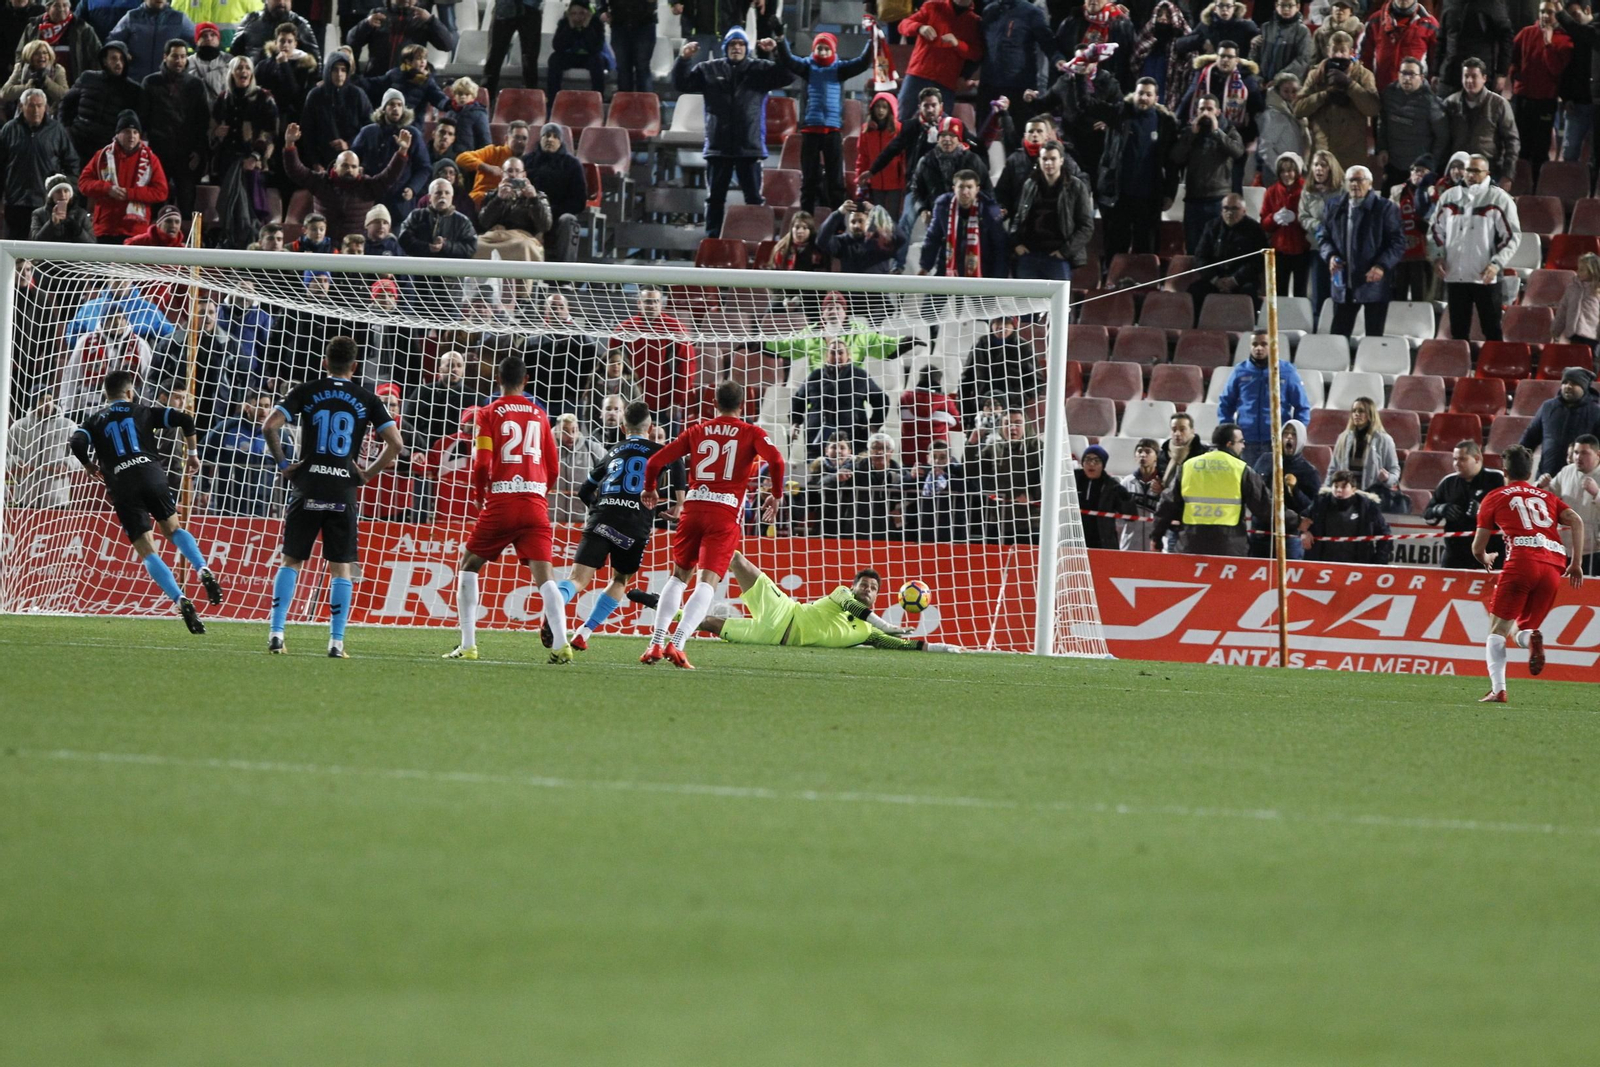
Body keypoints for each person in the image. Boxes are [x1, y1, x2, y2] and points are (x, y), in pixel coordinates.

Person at [263, 335, 404, 658]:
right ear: (354, 367)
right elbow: (395, 444)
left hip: (308, 485)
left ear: (325, 362)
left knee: (292, 561)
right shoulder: (367, 398)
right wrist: (367, 473)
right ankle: (336, 642)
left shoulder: (306, 390)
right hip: (342, 487)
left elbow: (269, 426)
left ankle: (276, 633)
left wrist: (285, 464)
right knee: (341, 567)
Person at [640, 379, 787, 669]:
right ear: (744, 405)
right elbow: (778, 461)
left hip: (693, 508)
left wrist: (650, 488)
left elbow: (655, 462)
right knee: (707, 581)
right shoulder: (751, 432)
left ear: (714, 404)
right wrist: (776, 495)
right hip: (725, 513)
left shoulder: (698, 430)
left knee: (679, 575)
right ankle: (678, 644)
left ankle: (656, 642)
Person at [66, 368, 222, 633]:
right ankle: (202, 567)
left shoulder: (94, 420)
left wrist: (89, 465)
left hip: (122, 484)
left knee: (147, 549)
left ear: (107, 394)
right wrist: (193, 454)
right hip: (152, 474)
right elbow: (185, 419)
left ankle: (179, 598)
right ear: (130, 392)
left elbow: (76, 441)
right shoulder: (142, 411)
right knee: (173, 529)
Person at [442, 355, 570, 664]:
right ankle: (562, 645)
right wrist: (540, 493)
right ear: (525, 381)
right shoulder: (541, 415)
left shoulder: (489, 413)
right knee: (546, 578)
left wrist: (478, 492)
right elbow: (553, 466)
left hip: (502, 500)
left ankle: (469, 645)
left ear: (498, 380)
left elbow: (483, 460)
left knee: (469, 564)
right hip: (535, 503)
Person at [553, 400, 678, 650]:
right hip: (634, 525)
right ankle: (584, 632)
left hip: (603, 517)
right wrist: (678, 504)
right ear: (650, 426)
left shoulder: (611, 451)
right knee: (620, 580)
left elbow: (585, 490)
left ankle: (554, 607)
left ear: (622, 427)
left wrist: (598, 509)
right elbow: (677, 472)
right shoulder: (661, 452)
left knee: (577, 579)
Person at [1472, 444, 1587, 702]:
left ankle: (1499, 689)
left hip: (1522, 561)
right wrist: (1576, 562)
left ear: (1504, 469)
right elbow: (1577, 521)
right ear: (1530, 470)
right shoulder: (1546, 497)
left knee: (1497, 631)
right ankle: (1531, 637)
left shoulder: (1496, 496)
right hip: (1554, 564)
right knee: (1521, 628)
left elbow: (1477, 546)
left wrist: (1486, 556)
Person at [672, 29, 793, 239]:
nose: (736, 48)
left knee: (754, 199)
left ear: (747, 48)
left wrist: (779, 50)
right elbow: (681, 84)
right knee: (715, 199)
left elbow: (787, 76)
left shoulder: (761, 69)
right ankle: (712, 240)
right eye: (732, 44)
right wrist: (683, 60)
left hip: (749, 146)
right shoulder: (708, 69)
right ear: (725, 48)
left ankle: (756, 240)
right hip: (718, 148)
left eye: (740, 44)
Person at [696, 554, 948, 651]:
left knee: (707, 622)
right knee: (737, 559)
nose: (867, 590)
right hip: (783, 610)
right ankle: (695, 547)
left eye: (873, 588)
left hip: (770, 637)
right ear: (853, 587)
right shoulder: (841, 595)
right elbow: (855, 608)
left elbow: (899, 645)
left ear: (877, 596)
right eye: (863, 585)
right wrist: (884, 623)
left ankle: (656, 602)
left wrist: (942, 649)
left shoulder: (869, 633)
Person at [769, 31, 873, 214]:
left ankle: (838, 220)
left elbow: (863, 63)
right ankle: (806, 218)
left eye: (826, 49)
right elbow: (788, 59)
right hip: (810, 130)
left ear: (833, 50)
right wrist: (781, 39)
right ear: (814, 49)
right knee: (809, 180)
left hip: (832, 131)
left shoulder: (839, 68)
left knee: (836, 181)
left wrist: (873, 41)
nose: (823, 52)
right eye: (819, 48)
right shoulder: (807, 66)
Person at [1430, 152, 1521, 343]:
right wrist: (1437, 256)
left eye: (1475, 171)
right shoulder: (1448, 196)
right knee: (1458, 331)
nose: (1470, 175)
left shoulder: (1499, 198)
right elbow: (1435, 231)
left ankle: (1494, 368)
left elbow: (1512, 236)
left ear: (1487, 172)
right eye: (1468, 170)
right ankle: (1459, 370)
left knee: (1492, 329)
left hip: (1485, 275)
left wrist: (1496, 264)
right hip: (1455, 274)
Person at [1153, 422, 1272, 556]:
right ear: (1229, 444)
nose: (1243, 446)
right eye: (1241, 441)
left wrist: (1156, 537)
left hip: (1191, 546)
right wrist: (1296, 522)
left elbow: (1167, 505)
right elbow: (1265, 508)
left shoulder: (1188, 466)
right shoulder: (1242, 469)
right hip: (1229, 548)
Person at [283, 122, 414, 241]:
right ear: (335, 167)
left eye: (353, 167)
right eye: (345, 166)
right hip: (324, 246)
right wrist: (290, 145)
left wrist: (402, 151)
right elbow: (296, 171)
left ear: (359, 169)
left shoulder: (367, 185)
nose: (349, 170)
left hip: (355, 248)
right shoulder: (321, 182)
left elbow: (389, 176)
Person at [1319, 164, 1406, 336]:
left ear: (1370, 183)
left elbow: (1398, 243)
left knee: (1374, 336)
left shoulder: (1385, 208)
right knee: (1338, 334)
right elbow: (1323, 237)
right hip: (1343, 283)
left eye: (1359, 180)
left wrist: (1381, 266)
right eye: (1350, 180)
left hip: (1374, 283)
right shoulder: (1334, 207)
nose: (1354, 184)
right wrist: (1330, 256)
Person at [1098, 76, 1181, 257]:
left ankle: (1144, 284)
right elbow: (1088, 106)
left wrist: (1170, 193)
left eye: (1148, 94)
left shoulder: (1166, 123)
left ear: (1156, 98)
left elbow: (1172, 163)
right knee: (1115, 245)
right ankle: (1112, 282)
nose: (1143, 97)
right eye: (1140, 93)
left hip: (1149, 197)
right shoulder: (1119, 114)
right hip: (1119, 195)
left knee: (1145, 248)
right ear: (1133, 94)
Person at [608, 287, 696, 432]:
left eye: (656, 301)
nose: (652, 305)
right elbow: (611, 367)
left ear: (661, 304)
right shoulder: (623, 331)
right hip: (630, 404)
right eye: (648, 301)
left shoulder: (675, 329)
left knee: (667, 447)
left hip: (666, 405)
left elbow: (687, 367)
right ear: (639, 303)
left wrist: (676, 401)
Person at [1218, 330, 1312, 465]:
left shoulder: (1287, 371)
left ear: (1273, 345)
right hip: (1246, 441)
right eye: (1254, 344)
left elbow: (1302, 406)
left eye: (1264, 344)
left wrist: (1295, 433)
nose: (1258, 348)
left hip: (1276, 442)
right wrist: (1229, 431)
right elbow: (1226, 404)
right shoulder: (1240, 371)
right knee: (1247, 483)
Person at [1007, 139, 1093, 281]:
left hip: (1058, 256)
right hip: (1029, 253)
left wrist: (1064, 252)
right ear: (1039, 161)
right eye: (1044, 159)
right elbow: (1019, 217)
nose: (1048, 163)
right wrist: (1016, 244)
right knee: (1025, 302)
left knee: (1058, 302)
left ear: (1061, 161)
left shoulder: (1076, 187)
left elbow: (1086, 227)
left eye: (1053, 159)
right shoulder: (1030, 184)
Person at [1293, 31, 1379, 172]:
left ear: (1351, 52)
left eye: (1342, 51)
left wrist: (1350, 85)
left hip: (1352, 153)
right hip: (1322, 151)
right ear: (1328, 51)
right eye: (1335, 50)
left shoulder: (1364, 75)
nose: (1338, 55)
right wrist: (1324, 96)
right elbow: (1298, 108)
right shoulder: (1315, 75)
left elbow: (1373, 108)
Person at [0, 87, 77, 241]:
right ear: (21, 107)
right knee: (15, 251)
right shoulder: (9, 130)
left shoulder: (56, 130)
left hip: (46, 204)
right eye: (31, 105)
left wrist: (66, 194)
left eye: (40, 105)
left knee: (43, 252)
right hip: (16, 203)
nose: (36, 110)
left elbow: (72, 163)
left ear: (46, 107)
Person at [791, 338, 889, 458]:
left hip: (853, 437)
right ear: (826, 356)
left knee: (851, 473)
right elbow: (798, 400)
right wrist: (795, 422)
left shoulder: (859, 376)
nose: (836, 356)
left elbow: (882, 399)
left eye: (840, 352)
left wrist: (875, 424)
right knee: (818, 471)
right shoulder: (815, 376)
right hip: (818, 436)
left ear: (848, 355)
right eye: (832, 352)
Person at [1508, 1, 1572, 182]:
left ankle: (1536, 186)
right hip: (1523, 98)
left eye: (1550, 12)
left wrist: (1548, 43)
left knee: (1540, 149)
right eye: (1542, 11)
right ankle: (1519, 184)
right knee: (1520, 145)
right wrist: (1516, 79)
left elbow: (1555, 70)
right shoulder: (1526, 32)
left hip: (1545, 100)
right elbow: (1513, 58)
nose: (1545, 16)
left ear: (1557, 15)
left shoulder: (1564, 40)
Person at [59, 40, 142, 176]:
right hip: (78, 141)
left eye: (122, 59)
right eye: (114, 58)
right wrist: (66, 131)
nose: (118, 63)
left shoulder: (133, 90)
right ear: (104, 61)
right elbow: (66, 103)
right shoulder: (88, 77)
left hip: (107, 148)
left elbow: (136, 123)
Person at [1175, 94, 1244, 253]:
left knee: (1217, 248)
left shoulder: (1228, 129)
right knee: (1193, 248)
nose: (1205, 113)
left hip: (1218, 199)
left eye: (1209, 109)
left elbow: (1238, 152)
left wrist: (1216, 131)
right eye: (1202, 109)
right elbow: (1176, 157)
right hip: (1193, 199)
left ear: (1218, 111)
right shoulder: (1190, 132)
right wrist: (1191, 135)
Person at [350, 85, 430, 223]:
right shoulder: (368, 132)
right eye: (391, 104)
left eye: (399, 105)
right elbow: (353, 158)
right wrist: (358, 169)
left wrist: (412, 188)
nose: (396, 108)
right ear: (383, 109)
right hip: (371, 199)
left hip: (400, 203)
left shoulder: (413, 134)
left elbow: (424, 167)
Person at [1424, 439, 1506, 568]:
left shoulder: (1497, 480)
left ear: (1477, 458)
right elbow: (1428, 516)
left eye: (1462, 459)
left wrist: (1483, 513)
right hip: (1455, 554)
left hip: (1490, 554)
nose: (1457, 464)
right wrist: (1440, 509)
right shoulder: (1448, 482)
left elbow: (1513, 514)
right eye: (1454, 459)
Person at [896, 0, 983, 119]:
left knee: (941, 126)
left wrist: (957, 44)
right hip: (918, 74)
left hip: (946, 81)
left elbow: (976, 53)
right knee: (903, 119)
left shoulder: (974, 21)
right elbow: (903, 25)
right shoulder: (933, 6)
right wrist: (920, 27)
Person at [1248, 418, 1321, 558]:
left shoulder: (1308, 471)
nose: (1288, 437)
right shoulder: (1265, 460)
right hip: (1260, 533)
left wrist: (1295, 490)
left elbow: (1312, 508)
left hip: (1289, 536)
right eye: (1285, 433)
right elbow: (1253, 490)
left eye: (1293, 434)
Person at [1376, 56, 1447, 192]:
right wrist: (1382, 148)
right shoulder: (1389, 93)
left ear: (1421, 77)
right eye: (1403, 73)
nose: (1407, 78)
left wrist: (1431, 163)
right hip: (1393, 163)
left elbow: (1442, 136)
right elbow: (1382, 122)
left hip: (1419, 169)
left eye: (1412, 74)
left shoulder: (1431, 102)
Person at [1443, 58, 1520, 185]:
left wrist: (1508, 175)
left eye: (1474, 76)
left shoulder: (1499, 104)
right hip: (1458, 172)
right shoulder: (1451, 103)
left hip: (1489, 170)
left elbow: (1512, 141)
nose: (1469, 81)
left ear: (1484, 78)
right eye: (1466, 76)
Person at [919, 168, 1006, 277]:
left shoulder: (990, 210)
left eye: (969, 187)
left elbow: (1000, 246)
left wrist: (998, 278)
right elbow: (933, 237)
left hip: (982, 270)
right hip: (948, 267)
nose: (965, 192)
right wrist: (925, 266)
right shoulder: (943, 206)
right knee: (934, 294)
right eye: (961, 187)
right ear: (954, 189)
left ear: (977, 189)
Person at [298, 51, 373, 173]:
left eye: (343, 70)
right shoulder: (316, 95)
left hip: (353, 162)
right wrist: (315, 162)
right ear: (328, 71)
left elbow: (369, 127)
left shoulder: (357, 95)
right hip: (324, 162)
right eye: (335, 70)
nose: (339, 74)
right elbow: (307, 132)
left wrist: (350, 143)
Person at [1327, 396, 1406, 511]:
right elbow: (1332, 470)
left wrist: (1387, 478)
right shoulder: (1343, 438)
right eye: (1354, 411)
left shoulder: (1384, 440)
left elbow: (1395, 471)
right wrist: (1326, 492)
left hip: (1371, 500)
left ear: (1370, 414)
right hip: (1345, 499)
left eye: (1361, 411)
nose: (1356, 414)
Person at [1188, 191, 1269, 304]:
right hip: (1215, 278)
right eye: (1226, 208)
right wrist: (1215, 279)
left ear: (1244, 211)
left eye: (1234, 209)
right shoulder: (1211, 227)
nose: (1229, 213)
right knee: (1195, 290)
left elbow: (1257, 261)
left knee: (1249, 293)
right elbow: (1200, 257)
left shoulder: (1255, 229)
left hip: (1242, 280)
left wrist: (1235, 280)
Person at [1301, 468, 1394, 564]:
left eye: (1344, 487)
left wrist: (1378, 563)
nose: (1339, 490)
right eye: (1336, 486)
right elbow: (1301, 520)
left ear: (1353, 489)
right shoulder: (1320, 503)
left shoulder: (1367, 506)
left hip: (1357, 567)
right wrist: (1304, 532)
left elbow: (1385, 534)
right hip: (1322, 565)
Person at [1520, 366, 1600, 477]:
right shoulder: (1548, 407)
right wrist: (1518, 462)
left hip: (1580, 479)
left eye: (1574, 383)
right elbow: (1530, 438)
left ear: (1584, 387)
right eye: (1565, 382)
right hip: (1546, 475)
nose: (1568, 386)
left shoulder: (1596, 412)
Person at [345, 0, 455, 79]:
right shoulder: (378, 14)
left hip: (408, 83)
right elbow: (351, 40)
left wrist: (432, 21)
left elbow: (447, 45)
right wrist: (366, 24)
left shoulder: (423, 19)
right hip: (377, 81)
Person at [525, 122, 587, 263]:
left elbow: (579, 201)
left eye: (554, 136)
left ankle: (564, 278)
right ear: (540, 139)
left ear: (560, 141)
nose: (550, 139)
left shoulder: (572, 164)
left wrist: (548, 213)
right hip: (530, 214)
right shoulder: (527, 161)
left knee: (568, 220)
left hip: (558, 216)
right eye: (546, 135)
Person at [1298, 148, 1344, 325]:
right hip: (1318, 249)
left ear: (1331, 168)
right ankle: (1318, 332)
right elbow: (1302, 216)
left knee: (1338, 294)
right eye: (1316, 165)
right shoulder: (1308, 191)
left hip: (1339, 251)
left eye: (1323, 165)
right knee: (1318, 295)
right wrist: (1316, 225)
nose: (1318, 169)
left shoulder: (1342, 191)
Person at [1543, 433, 1600, 575]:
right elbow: (1548, 497)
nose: (1578, 457)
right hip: (1564, 547)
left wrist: (1597, 493)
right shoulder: (1566, 471)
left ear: (1598, 454)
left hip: (1593, 550)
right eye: (1576, 452)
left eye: (1584, 453)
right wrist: (1541, 486)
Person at [8, 391, 76, 508]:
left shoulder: (68, 425)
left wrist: (68, 464)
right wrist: (15, 462)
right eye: (43, 400)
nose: (48, 404)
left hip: (57, 500)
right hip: (26, 498)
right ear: (34, 403)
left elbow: (80, 456)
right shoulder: (19, 427)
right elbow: (6, 455)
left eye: (50, 399)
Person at [1390, 154, 1440, 302]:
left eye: (1422, 170)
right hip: (1401, 253)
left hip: (1425, 254)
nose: (1417, 173)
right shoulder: (1398, 191)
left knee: (1423, 298)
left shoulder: (1434, 192)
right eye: (1415, 170)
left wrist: (1428, 225)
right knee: (1399, 297)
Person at [1260, 151, 1309, 296]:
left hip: (1302, 249)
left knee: (1301, 292)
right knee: (1279, 292)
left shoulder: (1306, 191)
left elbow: (1313, 219)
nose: (1286, 175)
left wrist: (1298, 218)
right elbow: (1264, 223)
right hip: (1280, 250)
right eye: (1283, 171)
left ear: (1297, 171)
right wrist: (1274, 218)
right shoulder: (1271, 191)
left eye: (1290, 171)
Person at [1359, 0, 1439, 88]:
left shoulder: (1430, 24)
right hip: (1379, 92)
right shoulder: (1375, 20)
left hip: (1414, 94)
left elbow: (1435, 63)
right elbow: (1363, 57)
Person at [108, 0, 193, 81]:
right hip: (135, 81)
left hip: (168, 85)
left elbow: (198, 42)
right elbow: (112, 41)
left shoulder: (179, 19)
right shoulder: (131, 17)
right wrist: (123, 53)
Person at [1075, 444, 1133, 550]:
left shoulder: (1112, 486)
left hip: (1102, 542)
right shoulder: (1071, 479)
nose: (1091, 464)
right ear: (1082, 463)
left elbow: (1130, 515)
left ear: (1103, 465)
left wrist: (1126, 498)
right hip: (1073, 540)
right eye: (1087, 459)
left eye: (1096, 460)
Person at [855, 92, 903, 216]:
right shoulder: (866, 130)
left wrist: (903, 179)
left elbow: (903, 157)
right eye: (877, 106)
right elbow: (863, 156)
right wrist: (860, 176)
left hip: (895, 182)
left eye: (884, 107)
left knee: (892, 218)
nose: (880, 110)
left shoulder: (899, 129)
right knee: (876, 217)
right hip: (875, 182)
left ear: (891, 109)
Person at [547, 0, 608, 97]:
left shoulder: (596, 23)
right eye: (574, 13)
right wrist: (570, 28)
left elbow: (596, 48)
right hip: (570, 56)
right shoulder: (564, 23)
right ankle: (553, 98)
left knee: (598, 61)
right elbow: (557, 46)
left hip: (589, 57)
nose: (578, 17)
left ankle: (597, 97)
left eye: (581, 13)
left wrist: (586, 27)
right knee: (554, 59)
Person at [600, 0, 657, 94]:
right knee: (623, 69)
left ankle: (646, 105)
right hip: (619, 24)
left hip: (644, 24)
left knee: (642, 68)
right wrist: (602, 10)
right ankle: (625, 104)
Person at [1252, 0, 1314, 84]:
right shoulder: (1265, 27)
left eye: (1290, 5)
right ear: (1276, 5)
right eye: (1282, 5)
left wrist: (1278, 80)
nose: (1286, 9)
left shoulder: (1302, 31)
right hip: (1261, 83)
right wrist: (1257, 78)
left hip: (1286, 87)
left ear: (1298, 7)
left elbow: (1303, 60)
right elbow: (1253, 56)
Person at [1553, 251, 1600, 357]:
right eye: (1579, 268)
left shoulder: (1597, 290)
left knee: (1591, 361)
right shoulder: (1572, 288)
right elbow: (1563, 309)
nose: (1578, 272)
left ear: (1593, 271)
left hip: (1592, 335)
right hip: (1574, 333)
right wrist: (1556, 329)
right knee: (1575, 359)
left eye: (1582, 269)